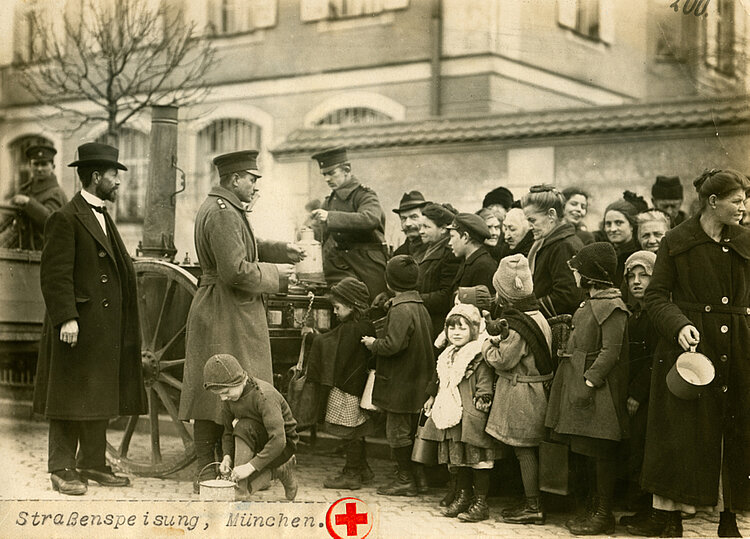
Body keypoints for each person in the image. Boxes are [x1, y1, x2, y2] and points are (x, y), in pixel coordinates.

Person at [633, 169, 750, 538]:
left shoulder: (747, 241)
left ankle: (728, 515)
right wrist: (678, 325)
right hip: (692, 351)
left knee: (734, 431)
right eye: (737, 200)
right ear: (713, 202)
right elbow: (655, 296)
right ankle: (671, 519)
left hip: (739, 348)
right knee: (681, 435)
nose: (744, 207)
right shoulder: (675, 241)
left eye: (745, 200)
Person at [178, 150, 303, 492]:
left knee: (216, 391)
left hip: (221, 308)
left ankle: (218, 469)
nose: (255, 185)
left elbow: (241, 247)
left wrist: (280, 250)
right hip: (228, 311)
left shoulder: (223, 209)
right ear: (235, 179)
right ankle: (216, 470)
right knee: (228, 389)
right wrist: (276, 274)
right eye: (252, 179)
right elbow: (234, 270)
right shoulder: (223, 214)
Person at [33, 142, 146, 495]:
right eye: (114, 175)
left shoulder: (103, 216)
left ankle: (92, 463)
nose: (118, 182)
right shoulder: (65, 217)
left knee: (97, 393)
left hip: (102, 328)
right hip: (76, 326)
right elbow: (54, 275)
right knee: (67, 395)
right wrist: (66, 317)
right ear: (96, 177)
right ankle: (61, 467)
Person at [544, 242, 630, 536]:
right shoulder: (591, 302)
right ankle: (593, 509)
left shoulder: (613, 306)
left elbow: (611, 351)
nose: (575, 276)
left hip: (598, 391)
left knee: (601, 451)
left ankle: (603, 514)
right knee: (586, 450)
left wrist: (590, 380)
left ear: (591, 276)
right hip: (580, 384)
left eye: (578, 271)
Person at [483, 254, 553, 526]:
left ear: (504, 293)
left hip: (524, 395)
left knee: (524, 450)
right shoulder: (536, 315)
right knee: (527, 450)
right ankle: (529, 500)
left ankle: (533, 506)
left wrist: (487, 346)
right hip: (536, 390)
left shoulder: (518, 325)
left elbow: (503, 359)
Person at [361, 255, 434, 497]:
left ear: (389, 282)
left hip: (400, 383)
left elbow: (393, 345)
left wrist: (373, 343)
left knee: (396, 431)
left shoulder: (401, 309)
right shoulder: (419, 306)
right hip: (416, 381)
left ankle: (405, 479)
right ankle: (420, 479)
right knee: (411, 431)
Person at [424, 303, 497, 522]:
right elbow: (441, 381)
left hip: (472, 415)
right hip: (453, 414)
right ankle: (463, 496)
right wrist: (432, 397)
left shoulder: (477, 356)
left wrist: (482, 403)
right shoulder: (447, 356)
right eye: (451, 328)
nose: (456, 333)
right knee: (459, 460)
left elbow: (485, 383)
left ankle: (480, 502)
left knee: (478, 460)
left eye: (462, 328)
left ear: (473, 331)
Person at [205, 354, 298, 501]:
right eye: (219, 395)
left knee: (243, 427)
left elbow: (279, 440)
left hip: (282, 446)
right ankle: (279, 470)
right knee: (243, 427)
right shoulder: (230, 397)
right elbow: (228, 432)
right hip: (259, 441)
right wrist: (227, 457)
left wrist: (249, 467)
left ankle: (241, 490)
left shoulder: (264, 396)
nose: (223, 398)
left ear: (239, 380)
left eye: (225, 393)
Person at [314, 277, 377, 490]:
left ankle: (351, 473)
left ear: (352, 305)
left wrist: (312, 338)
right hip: (358, 387)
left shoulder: (350, 329)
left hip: (346, 389)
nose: (334, 312)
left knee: (349, 431)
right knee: (358, 429)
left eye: (337, 307)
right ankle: (363, 469)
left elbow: (335, 351)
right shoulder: (364, 325)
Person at [310, 147, 387, 301]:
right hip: (341, 267)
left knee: (372, 310)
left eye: (332, 173)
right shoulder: (329, 201)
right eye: (324, 174)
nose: (327, 179)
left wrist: (330, 217)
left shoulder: (364, 195)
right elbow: (319, 234)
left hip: (367, 266)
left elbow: (370, 219)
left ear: (347, 170)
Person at [618, 250, 658, 528]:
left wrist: (637, 392)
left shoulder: (657, 314)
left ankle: (650, 511)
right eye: (631, 276)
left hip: (650, 396)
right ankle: (640, 507)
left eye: (644, 275)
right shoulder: (633, 313)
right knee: (635, 450)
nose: (636, 281)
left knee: (647, 451)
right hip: (634, 394)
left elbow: (655, 359)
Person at [522, 185, 584, 317]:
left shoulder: (563, 246)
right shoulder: (551, 243)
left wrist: (527, 310)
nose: (529, 226)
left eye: (532, 220)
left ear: (551, 214)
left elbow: (566, 298)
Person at [6, 144, 68, 250]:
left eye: (44, 164)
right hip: (23, 251)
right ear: (30, 166)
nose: (39, 169)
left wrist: (28, 203)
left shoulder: (56, 193)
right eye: (36, 164)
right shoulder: (25, 190)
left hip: (47, 254)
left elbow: (51, 222)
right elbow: (8, 219)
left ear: (52, 167)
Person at [416, 203, 461, 337]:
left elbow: (445, 296)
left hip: (437, 325)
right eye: (421, 226)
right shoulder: (427, 248)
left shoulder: (450, 255)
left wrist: (414, 298)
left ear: (442, 229)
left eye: (426, 227)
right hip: (426, 319)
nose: (421, 231)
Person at [599, 191, 647, 287]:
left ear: (632, 225)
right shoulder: (605, 255)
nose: (612, 229)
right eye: (608, 224)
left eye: (619, 223)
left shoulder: (638, 255)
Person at [447, 213, 497, 295]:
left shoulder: (483, 267)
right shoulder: (470, 261)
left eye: (452, 236)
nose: (450, 243)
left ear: (466, 237)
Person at [393, 191, 430, 262]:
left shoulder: (434, 249)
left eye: (413, 217)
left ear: (426, 217)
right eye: (403, 218)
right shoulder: (399, 254)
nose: (407, 224)